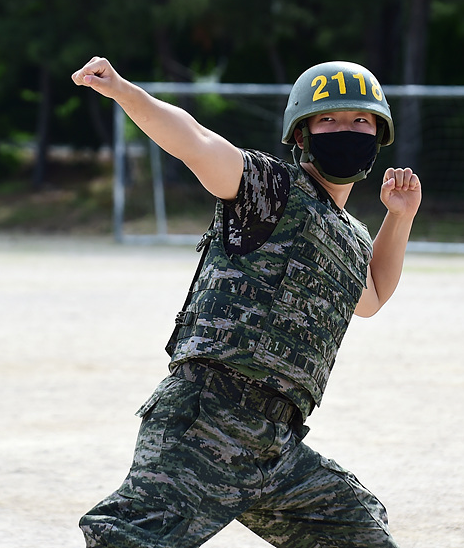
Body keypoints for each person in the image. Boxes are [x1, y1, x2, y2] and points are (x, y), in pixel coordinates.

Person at [71, 56, 422, 547]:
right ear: (301, 135)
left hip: (274, 445)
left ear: (377, 135)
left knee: (361, 536)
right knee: (129, 541)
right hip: (205, 420)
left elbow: (372, 296)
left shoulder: (350, 235)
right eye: (329, 119)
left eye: (360, 120)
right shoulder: (269, 189)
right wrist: (126, 92)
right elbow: (196, 141)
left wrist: (400, 217)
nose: (346, 129)